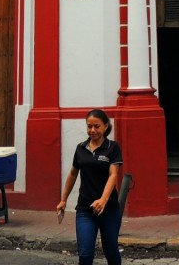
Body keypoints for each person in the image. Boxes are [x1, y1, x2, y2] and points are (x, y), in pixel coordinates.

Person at [56, 109, 123, 265]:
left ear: (105, 126)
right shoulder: (81, 148)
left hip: (109, 210)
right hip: (85, 209)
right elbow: (73, 173)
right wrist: (63, 200)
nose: (92, 130)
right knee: (85, 254)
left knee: (111, 251)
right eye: (89, 126)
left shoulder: (112, 147)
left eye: (97, 126)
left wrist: (103, 200)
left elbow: (113, 175)